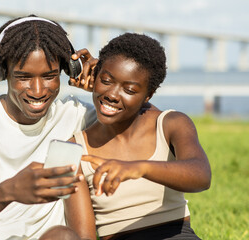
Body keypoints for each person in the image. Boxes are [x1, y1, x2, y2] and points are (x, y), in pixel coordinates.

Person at [0, 15, 98, 240]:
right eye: (23, 77)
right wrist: (10, 190)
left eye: (50, 76)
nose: (38, 90)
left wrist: (106, 86)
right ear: (2, 73)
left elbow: (149, 130)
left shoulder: (79, 115)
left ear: (68, 70)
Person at [70, 32, 212, 239]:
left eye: (129, 89)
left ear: (149, 94)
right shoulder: (75, 148)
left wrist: (139, 167)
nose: (112, 94)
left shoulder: (170, 124)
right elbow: (84, 235)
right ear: (95, 77)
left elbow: (201, 175)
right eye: (106, 80)